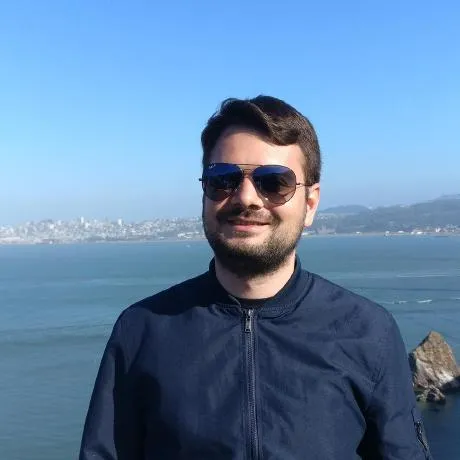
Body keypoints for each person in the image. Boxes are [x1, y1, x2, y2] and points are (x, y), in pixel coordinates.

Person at [79, 95, 432, 459]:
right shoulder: (142, 331)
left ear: (310, 204)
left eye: (274, 182)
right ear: (204, 193)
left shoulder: (368, 332)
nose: (246, 197)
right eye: (223, 179)